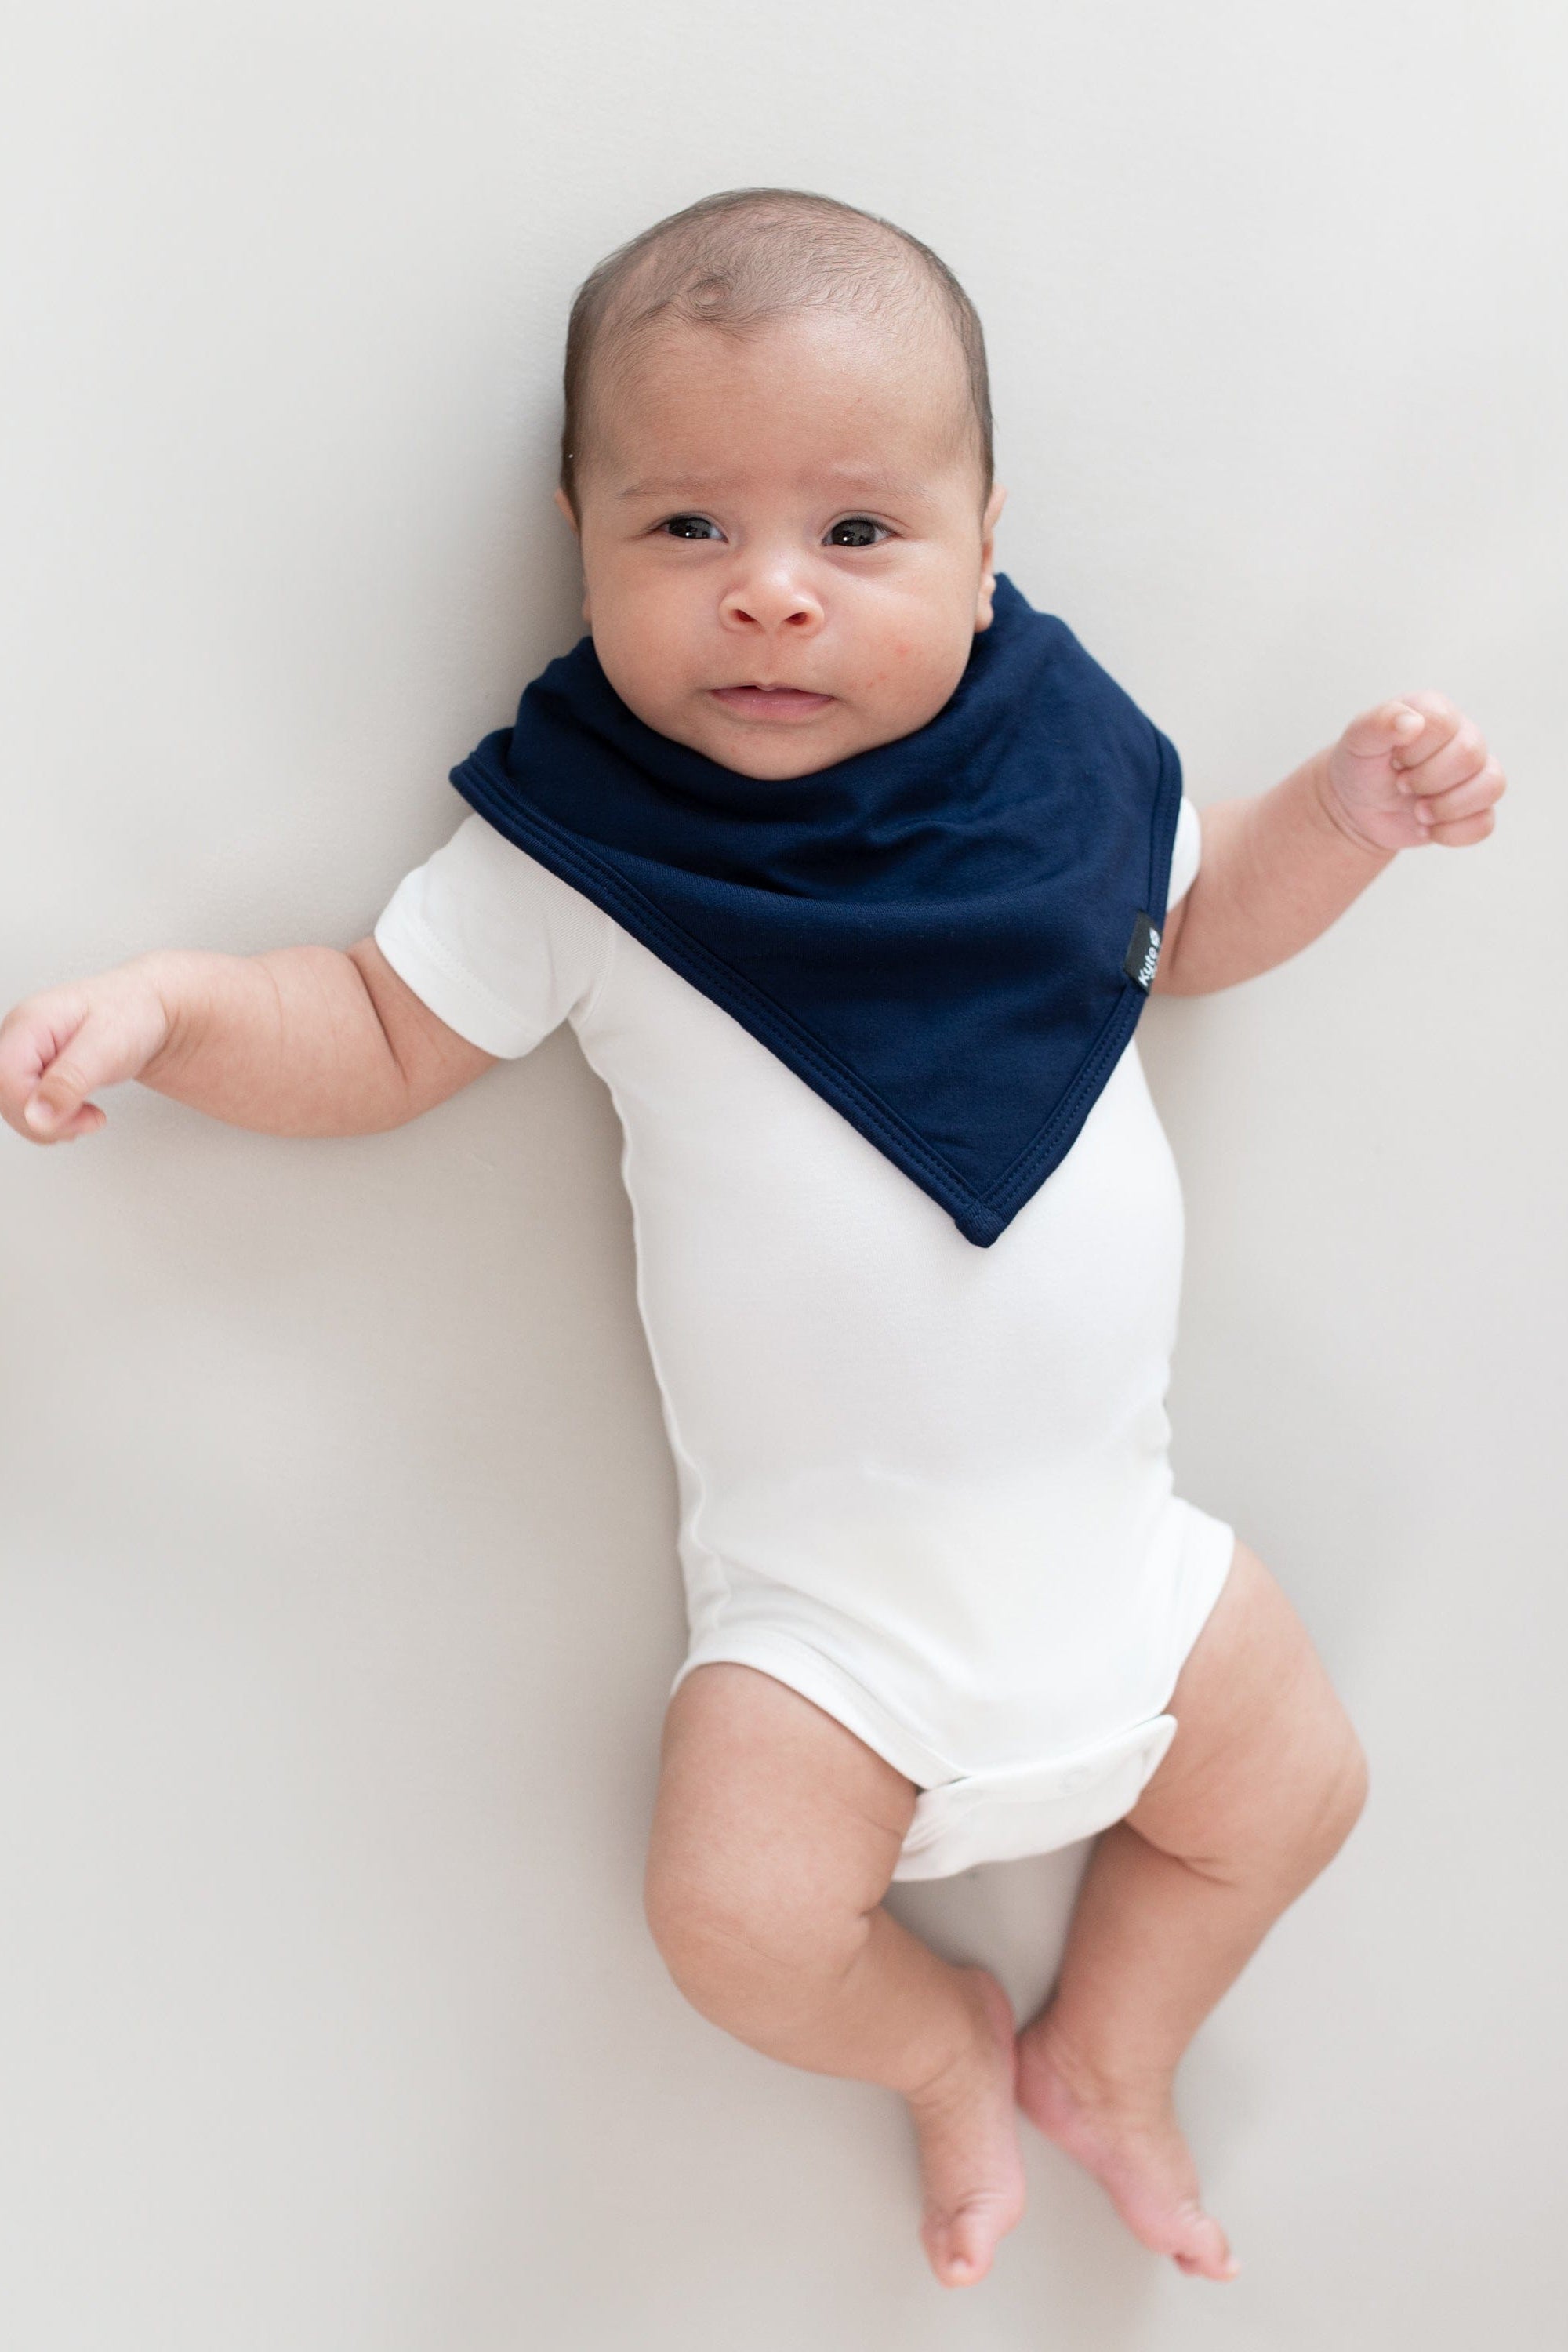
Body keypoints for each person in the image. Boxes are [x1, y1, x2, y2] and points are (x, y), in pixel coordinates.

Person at [0, 188, 1505, 2292]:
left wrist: (1338, 820)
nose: (770, 600)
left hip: (1129, 1564)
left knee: (1299, 1791)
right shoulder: (589, 852)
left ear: (989, 535)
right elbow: (368, 1026)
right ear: (580, 531)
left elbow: (1198, 927)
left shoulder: (1068, 770)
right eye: (687, 531)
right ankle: (943, 2048)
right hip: (833, 1646)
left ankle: (1114, 2049)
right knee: (736, 1928)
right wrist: (169, 1011)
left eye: (856, 536)